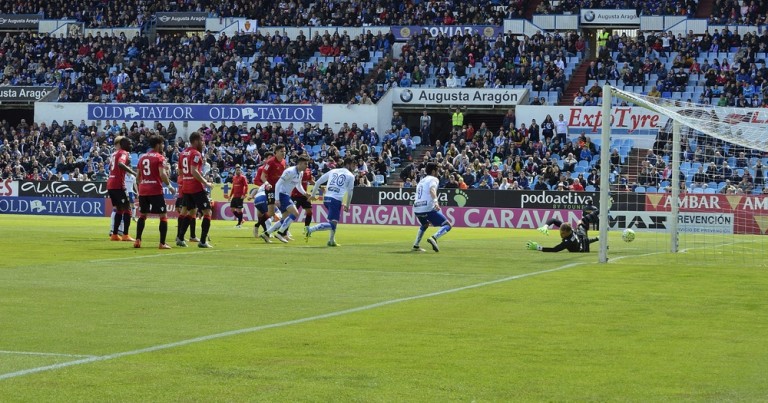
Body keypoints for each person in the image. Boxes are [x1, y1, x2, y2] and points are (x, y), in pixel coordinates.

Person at [134, 135, 176, 249]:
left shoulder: (142, 157)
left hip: (143, 190)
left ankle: (137, 240)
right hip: (155, 190)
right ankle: (162, 243)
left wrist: (142, 186)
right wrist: (169, 186)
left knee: (143, 215)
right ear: (158, 144)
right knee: (163, 216)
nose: (163, 146)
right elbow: (162, 174)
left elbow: (137, 177)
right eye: (162, 144)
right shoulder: (159, 157)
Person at [305, 157, 356, 246]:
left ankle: (331, 241)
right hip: (335, 200)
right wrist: (348, 205)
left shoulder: (333, 171)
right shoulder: (350, 176)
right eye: (353, 165)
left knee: (334, 221)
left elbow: (318, 182)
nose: (354, 168)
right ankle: (310, 230)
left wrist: (313, 195)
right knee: (332, 224)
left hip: (327, 198)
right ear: (348, 164)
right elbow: (350, 192)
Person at [260, 155, 311, 243]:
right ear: (299, 164)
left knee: (284, 218)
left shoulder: (301, 173)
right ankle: (280, 233)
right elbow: (278, 184)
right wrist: (277, 199)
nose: (307, 166)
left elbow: (298, 185)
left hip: (286, 195)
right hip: (281, 194)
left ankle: (266, 234)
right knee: (295, 213)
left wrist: (305, 193)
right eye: (305, 164)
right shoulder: (290, 171)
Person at [176, 132, 213, 248]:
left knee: (190, 212)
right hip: (196, 187)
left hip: (186, 186)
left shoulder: (183, 153)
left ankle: (180, 238)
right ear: (196, 141)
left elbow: (180, 172)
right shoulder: (196, 153)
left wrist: (186, 180)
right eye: (202, 140)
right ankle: (202, 241)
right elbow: (194, 171)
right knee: (208, 212)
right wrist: (205, 182)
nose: (203, 143)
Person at [412, 162, 452, 252]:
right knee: (448, 225)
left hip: (416, 208)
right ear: (434, 171)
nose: (439, 172)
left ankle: (416, 245)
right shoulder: (434, 179)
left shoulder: (422, 180)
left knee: (425, 224)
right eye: (438, 170)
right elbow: (432, 189)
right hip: (427, 207)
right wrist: (436, 201)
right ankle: (434, 237)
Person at [528, 206, 600, 253]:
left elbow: (555, 249)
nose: (561, 234)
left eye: (562, 233)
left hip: (583, 250)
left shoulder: (568, 241)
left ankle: (601, 211)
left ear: (567, 232)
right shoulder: (568, 228)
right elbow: (553, 220)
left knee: (583, 234)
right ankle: (600, 210)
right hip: (581, 237)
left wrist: (538, 247)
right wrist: (546, 226)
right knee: (581, 221)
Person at [107, 136, 138, 242]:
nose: (130, 145)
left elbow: (112, 166)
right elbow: (120, 164)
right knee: (127, 210)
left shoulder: (113, 154)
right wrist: (134, 173)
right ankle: (125, 235)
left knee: (119, 209)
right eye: (128, 143)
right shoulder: (123, 153)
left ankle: (114, 234)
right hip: (118, 184)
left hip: (110, 184)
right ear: (122, 144)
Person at [255, 145, 287, 237]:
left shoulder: (284, 162)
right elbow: (262, 177)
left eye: (284, 151)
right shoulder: (270, 162)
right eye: (281, 151)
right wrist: (267, 183)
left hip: (279, 189)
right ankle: (257, 226)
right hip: (271, 189)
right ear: (276, 152)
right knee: (271, 213)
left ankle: (283, 233)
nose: (283, 153)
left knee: (287, 211)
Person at [291, 164, 315, 232]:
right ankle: (284, 231)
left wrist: (318, 186)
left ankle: (306, 229)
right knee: (292, 214)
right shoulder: (296, 170)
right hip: (296, 195)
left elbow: (310, 180)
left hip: (304, 195)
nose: (306, 164)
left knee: (309, 212)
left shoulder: (308, 171)